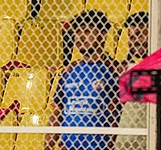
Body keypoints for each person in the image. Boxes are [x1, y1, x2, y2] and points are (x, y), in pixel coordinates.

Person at [47, 10, 120, 150]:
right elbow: (57, 113)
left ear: (103, 35)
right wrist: (48, 146)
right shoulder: (68, 71)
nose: (80, 37)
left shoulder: (113, 72)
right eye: (77, 32)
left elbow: (118, 114)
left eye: (86, 31)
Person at [114, 12, 149, 150]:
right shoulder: (121, 69)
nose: (135, 40)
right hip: (126, 142)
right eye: (131, 37)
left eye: (140, 34)